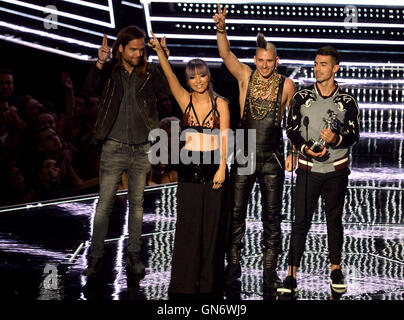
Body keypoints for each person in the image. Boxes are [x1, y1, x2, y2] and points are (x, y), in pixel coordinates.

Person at [213, 4, 296, 289]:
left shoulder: (288, 85)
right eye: (260, 60)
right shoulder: (245, 77)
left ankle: (269, 268)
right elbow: (225, 54)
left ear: (276, 60)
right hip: (244, 153)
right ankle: (233, 263)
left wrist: (293, 152)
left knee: (272, 216)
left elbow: (294, 123)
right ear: (255, 59)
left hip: (273, 156)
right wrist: (221, 28)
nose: (264, 65)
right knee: (236, 212)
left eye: (269, 61)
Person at [81, 26, 169, 279]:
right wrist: (100, 61)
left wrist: (163, 57)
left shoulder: (150, 72)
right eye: (133, 50)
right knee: (105, 205)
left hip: (142, 147)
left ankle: (134, 258)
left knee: (138, 206)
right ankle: (95, 259)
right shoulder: (110, 70)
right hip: (113, 145)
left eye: (141, 50)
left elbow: (166, 89)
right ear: (120, 48)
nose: (138, 54)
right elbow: (88, 87)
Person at [149, 32, 231, 298]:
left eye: (202, 75)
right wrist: (161, 53)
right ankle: (184, 286)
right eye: (193, 77)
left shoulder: (221, 105)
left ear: (209, 76)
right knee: (188, 228)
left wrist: (221, 168)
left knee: (213, 230)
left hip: (214, 167)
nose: (198, 81)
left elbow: (225, 137)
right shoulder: (185, 101)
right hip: (189, 168)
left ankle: (209, 286)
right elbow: (169, 77)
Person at [277, 46, 360, 295]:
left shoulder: (347, 102)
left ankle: (335, 269)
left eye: (323, 64)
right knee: (300, 221)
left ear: (335, 68)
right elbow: (291, 130)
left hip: (336, 170)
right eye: (316, 63)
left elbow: (355, 135)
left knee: (333, 220)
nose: (317, 68)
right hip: (307, 168)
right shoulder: (301, 98)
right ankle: (291, 273)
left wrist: (335, 140)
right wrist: (302, 149)